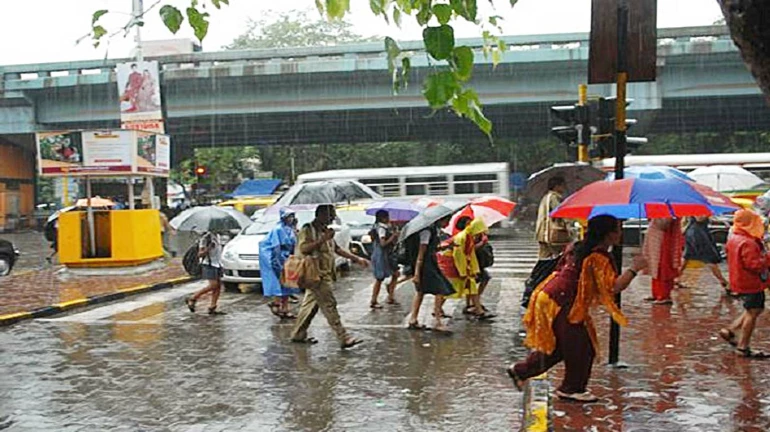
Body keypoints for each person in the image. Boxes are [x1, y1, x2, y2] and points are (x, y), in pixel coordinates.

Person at [507, 215, 647, 402]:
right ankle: (571, 388)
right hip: (562, 302)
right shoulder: (597, 256)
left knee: (560, 347)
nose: (620, 233)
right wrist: (634, 269)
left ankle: (520, 371)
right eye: (618, 229)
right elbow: (613, 287)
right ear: (608, 235)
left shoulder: (577, 246)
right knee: (582, 347)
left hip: (550, 295)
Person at [290, 204, 369, 348]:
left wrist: (357, 259)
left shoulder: (326, 230)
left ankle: (298, 334)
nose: (333, 217)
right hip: (316, 275)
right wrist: (322, 239)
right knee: (329, 305)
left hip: (324, 274)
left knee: (310, 306)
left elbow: (337, 249)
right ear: (321, 214)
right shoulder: (308, 229)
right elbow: (303, 248)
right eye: (330, 214)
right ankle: (343, 336)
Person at [719, 209, 769, 359]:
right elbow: (755, 265)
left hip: (740, 280)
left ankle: (731, 330)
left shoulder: (735, 237)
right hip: (751, 282)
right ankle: (743, 346)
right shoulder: (747, 242)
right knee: (753, 312)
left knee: (753, 309)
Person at [407, 216, 456, 334]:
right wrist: (417, 274)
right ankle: (437, 322)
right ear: (440, 219)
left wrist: (447, 246)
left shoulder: (433, 230)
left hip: (430, 264)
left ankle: (413, 319)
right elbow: (421, 253)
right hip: (426, 266)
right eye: (446, 221)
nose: (447, 223)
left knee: (421, 292)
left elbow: (431, 248)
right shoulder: (426, 231)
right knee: (440, 290)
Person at [447, 218, 495, 320]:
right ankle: (437, 309)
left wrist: (473, 269)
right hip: (463, 268)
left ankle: (477, 309)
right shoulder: (462, 237)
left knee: (471, 288)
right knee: (447, 291)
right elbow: (459, 255)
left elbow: (470, 253)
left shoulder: (467, 236)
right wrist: (463, 270)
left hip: (468, 268)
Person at [259, 208, 300, 319]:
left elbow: (295, 243)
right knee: (280, 283)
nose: (291, 219)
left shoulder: (290, 229)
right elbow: (276, 247)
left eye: (292, 216)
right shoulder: (278, 230)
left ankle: (285, 308)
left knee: (288, 284)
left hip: (288, 258)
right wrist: (277, 262)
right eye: (289, 216)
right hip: (279, 258)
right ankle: (276, 303)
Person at [677, 216, 728, 294]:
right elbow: (699, 218)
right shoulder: (699, 208)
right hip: (698, 234)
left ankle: (676, 278)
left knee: (687, 257)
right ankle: (723, 281)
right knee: (709, 257)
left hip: (695, 231)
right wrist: (707, 214)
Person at [643, 218, 683, 305]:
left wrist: (655, 217)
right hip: (657, 240)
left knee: (662, 267)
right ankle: (656, 293)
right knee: (655, 266)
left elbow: (664, 224)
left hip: (664, 240)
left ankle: (663, 295)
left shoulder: (669, 210)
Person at [186, 230, 226, 315]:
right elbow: (200, 254)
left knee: (218, 286)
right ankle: (193, 297)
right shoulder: (205, 239)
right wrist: (208, 248)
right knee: (213, 285)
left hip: (218, 264)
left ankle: (213, 307)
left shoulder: (218, 236)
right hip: (209, 264)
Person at [369, 210, 400, 309]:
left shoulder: (386, 227)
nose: (388, 219)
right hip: (381, 255)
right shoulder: (381, 228)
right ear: (382, 218)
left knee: (395, 274)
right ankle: (374, 300)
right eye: (387, 217)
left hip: (387, 255)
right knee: (379, 278)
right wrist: (393, 236)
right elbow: (383, 244)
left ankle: (390, 296)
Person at [535, 176, 571, 259]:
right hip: (551, 233)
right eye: (562, 185)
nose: (564, 188)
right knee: (561, 256)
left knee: (544, 258)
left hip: (543, 232)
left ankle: (540, 272)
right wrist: (569, 226)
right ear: (556, 186)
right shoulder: (554, 197)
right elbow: (560, 213)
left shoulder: (546, 197)